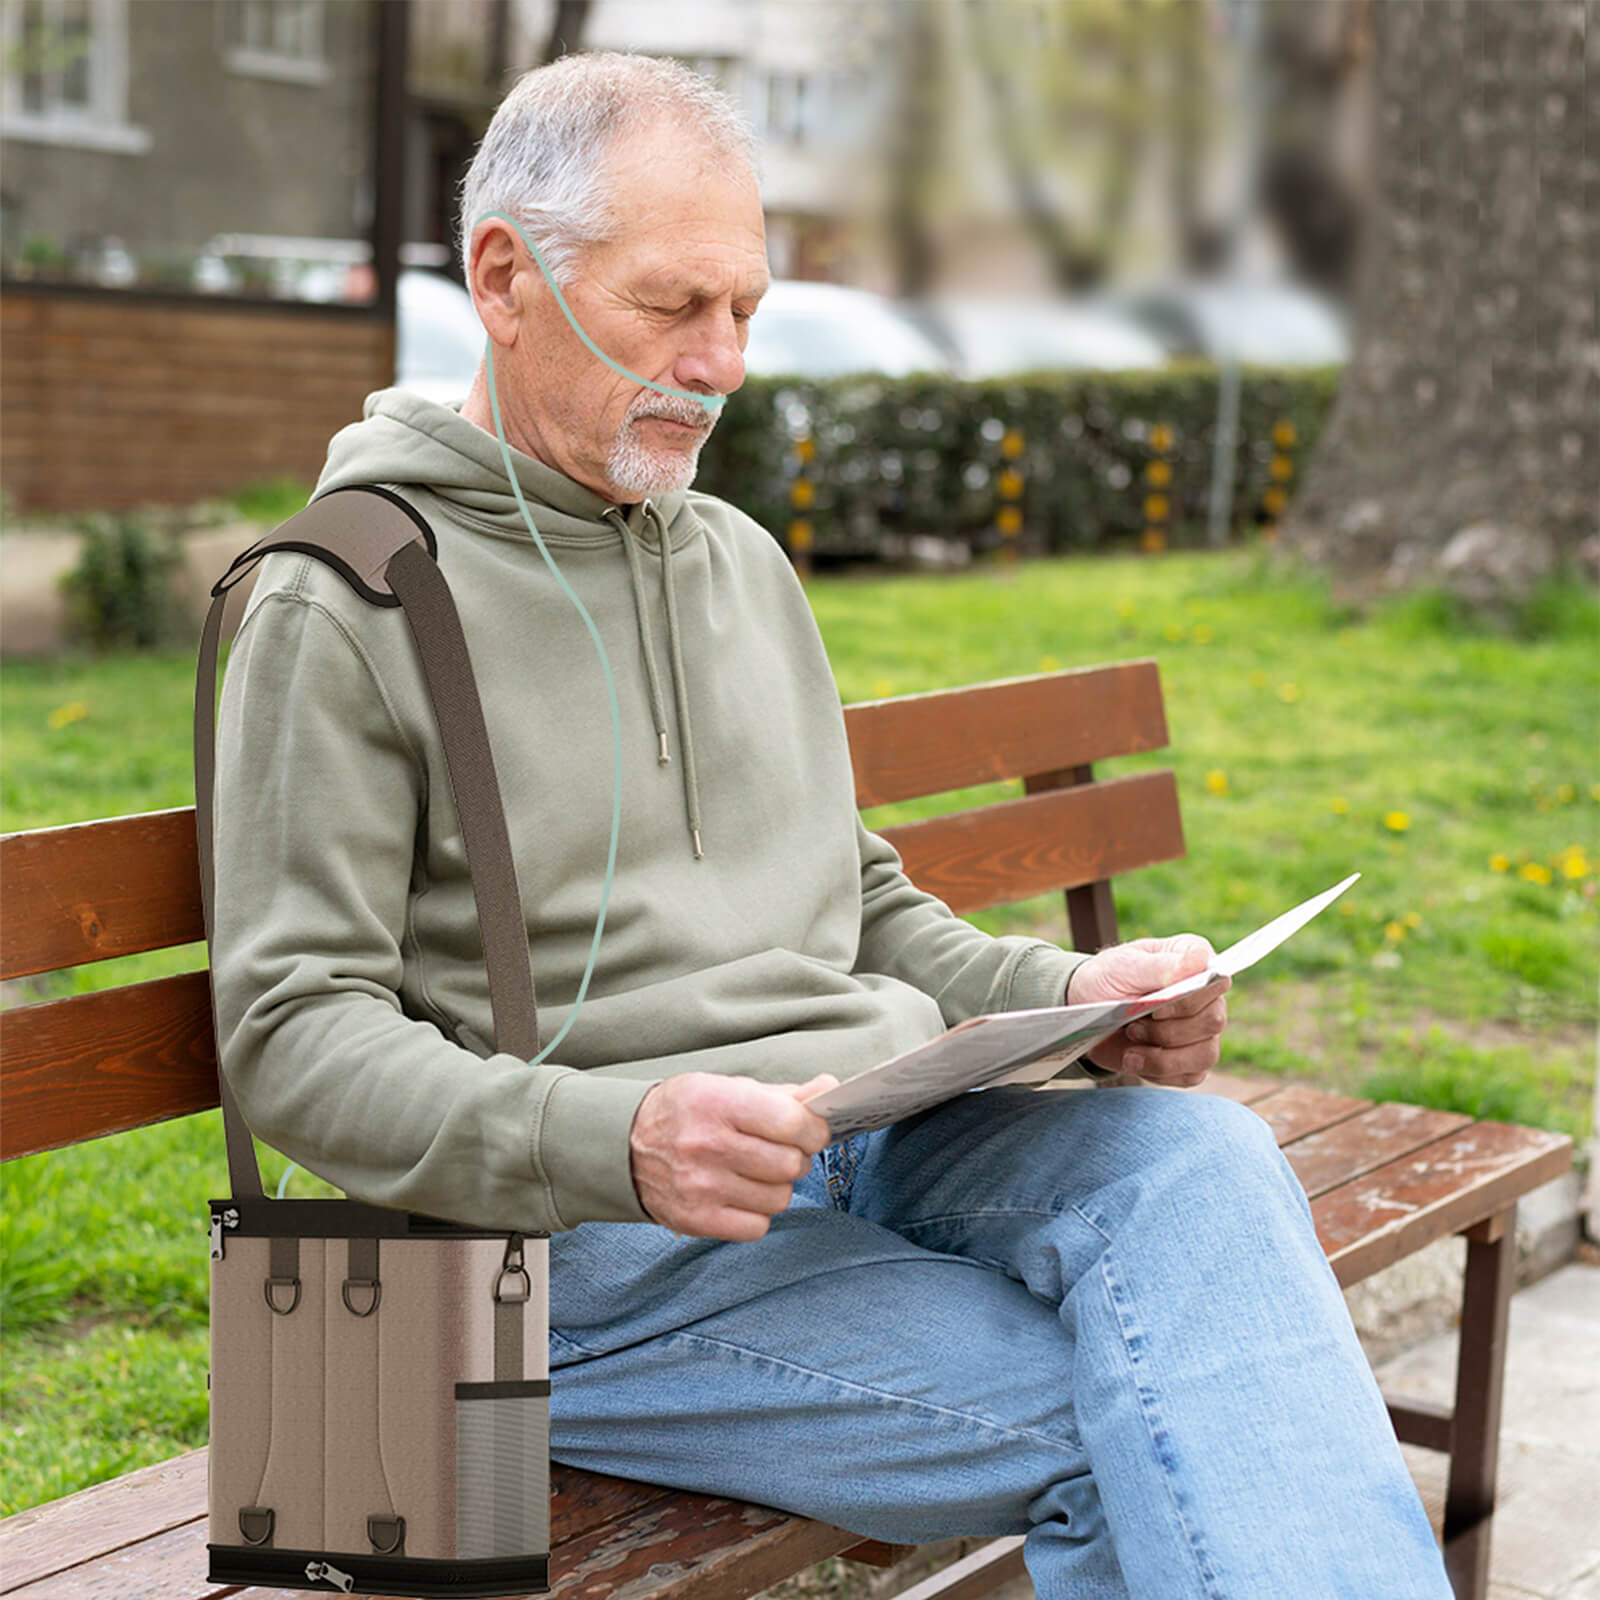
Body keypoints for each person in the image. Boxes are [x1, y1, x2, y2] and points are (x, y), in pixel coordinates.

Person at [212, 51, 1452, 1599]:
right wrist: (624, 1135)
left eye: (748, 310)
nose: (725, 365)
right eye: (678, 308)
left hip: (869, 1135)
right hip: (582, 1258)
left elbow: (855, 901)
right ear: (505, 278)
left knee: (1199, 1163)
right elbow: (291, 1031)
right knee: (1176, 1421)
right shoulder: (344, 599)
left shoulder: (735, 560)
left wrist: (1060, 998)